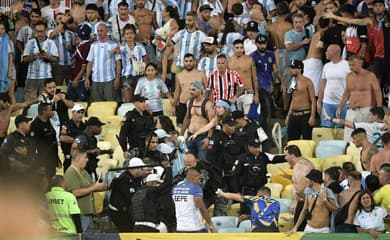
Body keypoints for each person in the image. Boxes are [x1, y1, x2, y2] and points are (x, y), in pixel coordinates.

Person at [336, 55, 382, 142]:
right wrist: (340, 107)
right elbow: (347, 93)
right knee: (348, 138)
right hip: (351, 110)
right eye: (349, 65)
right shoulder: (349, 76)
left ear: (360, 63)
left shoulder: (370, 75)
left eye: (353, 65)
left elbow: (378, 92)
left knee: (364, 137)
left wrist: (378, 109)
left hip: (365, 110)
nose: (351, 67)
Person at [234, 138, 286, 214]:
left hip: (260, 189)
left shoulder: (264, 156)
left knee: (261, 212)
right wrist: (237, 191)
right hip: (247, 190)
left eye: (258, 146)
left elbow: (276, 158)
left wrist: (288, 157)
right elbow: (236, 175)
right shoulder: (242, 158)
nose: (257, 149)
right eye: (255, 147)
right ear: (249, 147)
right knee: (246, 213)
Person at [64, 149, 105, 233]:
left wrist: (100, 187)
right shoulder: (71, 173)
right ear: (78, 158)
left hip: (88, 213)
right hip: (80, 213)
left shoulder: (84, 172)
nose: (87, 159)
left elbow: (91, 186)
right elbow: (75, 192)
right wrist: (94, 188)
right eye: (85, 157)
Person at [288, 169, 338, 235]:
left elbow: (335, 210)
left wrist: (324, 200)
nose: (306, 180)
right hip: (308, 228)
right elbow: (304, 210)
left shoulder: (327, 192)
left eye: (308, 179)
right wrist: (295, 227)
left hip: (323, 230)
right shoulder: (308, 191)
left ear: (313, 180)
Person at [162, 11, 207, 81]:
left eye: (190, 20)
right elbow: (168, 45)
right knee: (178, 88)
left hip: (194, 66)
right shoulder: (180, 33)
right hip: (180, 65)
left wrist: (200, 60)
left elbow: (206, 49)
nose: (187, 22)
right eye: (186, 20)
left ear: (195, 21)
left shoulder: (201, 35)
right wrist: (170, 35)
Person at [250, 35, 282, 132]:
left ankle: (264, 134)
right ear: (256, 44)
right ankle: (264, 135)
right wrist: (255, 92)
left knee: (266, 112)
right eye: (260, 44)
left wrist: (282, 82)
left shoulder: (270, 54)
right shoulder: (252, 56)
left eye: (263, 43)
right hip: (259, 87)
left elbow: (275, 70)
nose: (262, 46)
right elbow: (253, 75)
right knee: (265, 113)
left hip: (268, 86)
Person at [132, 160, 173, 232]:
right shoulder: (152, 191)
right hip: (150, 227)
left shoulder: (137, 192)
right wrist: (168, 168)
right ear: (154, 183)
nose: (159, 186)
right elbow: (168, 183)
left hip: (136, 226)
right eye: (158, 184)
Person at [22, 20, 59, 102]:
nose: (39, 34)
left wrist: (47, 57)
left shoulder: (51, 43)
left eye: (42, 31)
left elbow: (56, 59)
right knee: (29, 101)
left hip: (46, 77)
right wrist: (34, 56)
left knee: (45, 101)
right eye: (37, 31)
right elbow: (24, 59)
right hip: (31, 77)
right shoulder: (30, 43)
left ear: (46, 30)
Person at [109, 157, 147, 232]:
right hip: (119, 212)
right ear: (136, 169)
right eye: (141, 168)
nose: (143, 171)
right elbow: (132, 197)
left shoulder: (135, 178)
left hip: (126, 210)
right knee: (128, 231)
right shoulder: (124, 180)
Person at [85, 22, 121, 101]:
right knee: (97, 104)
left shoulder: (113, 45)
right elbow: (90, 62)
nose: (99, 33)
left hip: (109, 79)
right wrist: (87, 78)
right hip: (95, 79)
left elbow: (118, 63)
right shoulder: (93, 45)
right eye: (98, 31)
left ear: (107, 31)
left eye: (101, 31)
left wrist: (117, 78)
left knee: (111, 102)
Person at [172, 168, 215, 232]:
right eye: (199, 178)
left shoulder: (175, 189)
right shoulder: (195, 188)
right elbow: (201, 207)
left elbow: (175, 204)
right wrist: (210, 223)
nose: (199, 181)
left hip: (180, 227)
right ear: (193, 177)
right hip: (195, 227)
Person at [282, 145, 314, 231]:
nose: (285, 158)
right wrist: (288, 177)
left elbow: (303, 185)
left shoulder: (300, 165)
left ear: (292, 155)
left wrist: (295, 202)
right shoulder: (304, 163)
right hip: (306, 201)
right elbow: (301, 180)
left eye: (286, 155)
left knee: (300, 232)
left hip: (303, 202)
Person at [317, 44, 350, 128]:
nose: (326, 53)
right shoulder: (326, 66)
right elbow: (322, 84)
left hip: (343, 104)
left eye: (327, 51)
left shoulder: (347, 65)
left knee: (341, 128)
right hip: (327, 102)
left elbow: (352, 85)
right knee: (326, 128)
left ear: (334, 52)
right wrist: (319, 101)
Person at [181, 81, 215, 161]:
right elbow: (187, 118)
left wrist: (208, 138)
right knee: (187, 159)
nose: (191, 92)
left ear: (200, 90)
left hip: (202, 136)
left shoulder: (208, 104)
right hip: (191, 135)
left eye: (193, 90)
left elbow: (212, 123)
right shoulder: (189, 102)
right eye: (190, 90)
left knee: (202, 159)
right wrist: (182, 133)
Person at [173, 53, 207, 128]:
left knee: (196, 126)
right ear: (183, 62)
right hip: (183, 105)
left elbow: (207, 89)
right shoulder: (179, 75)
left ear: (194, 62)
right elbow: (177, 91)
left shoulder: (201, 74)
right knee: (180, 127)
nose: (188, 63)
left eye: (190, 61)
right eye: (186, 61)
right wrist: (174, 106)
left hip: (197, 105)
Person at [285, 59, 316, 141]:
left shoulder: (308, 82)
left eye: (293, 68)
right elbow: (293, 99)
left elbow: (313, 100)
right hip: (294, 114)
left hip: (305, 114)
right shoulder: (292, 82)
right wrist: (288, 115)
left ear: (299, 69)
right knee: (292, 140)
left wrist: (312, 116)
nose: (290, 70)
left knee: (307, 140)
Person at [30, 103, 60, 179]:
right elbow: (33, 145)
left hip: (52, 158)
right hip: (42, 160)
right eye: (50, 110)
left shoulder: (50, 122)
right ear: (44, 111)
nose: (52, 112)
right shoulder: (35, 125)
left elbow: (54, 141)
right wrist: (38, 163)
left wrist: (57, 158)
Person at [229, 39, 259, 115]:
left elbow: (254, 78)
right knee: (236, 120)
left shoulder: (249, 59)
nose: (239, 50)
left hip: (248, 93)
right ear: (233, 49)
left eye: (241, 47)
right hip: (235, 95)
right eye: (237, 48)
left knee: (248, 118)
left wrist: (256, 95)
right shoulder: (229, 61)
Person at [120, 23, 147, 102]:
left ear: (135, 34)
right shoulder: (121, 48)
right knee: (129, 101)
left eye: (131, 33)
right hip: (126, 76)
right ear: (124, 36)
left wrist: (146, 72)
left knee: (140, 100)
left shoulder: (140, 47)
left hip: (140, 75)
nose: (129, 35)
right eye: (127, 33)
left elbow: (145, 60)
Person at [48, 12, 75, 86]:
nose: (62, 20)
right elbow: (52, 36)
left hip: (69, 64)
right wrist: (63, 22)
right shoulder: (51, 31)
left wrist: (71, 48)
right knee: (58, 87)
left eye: (63, 18)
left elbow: (74, 50)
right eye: (59, 19)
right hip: (57, 65)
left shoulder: (71, 34)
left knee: (69, 87)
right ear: (55, 21)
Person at [60, 104, 87, 172]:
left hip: (81, 158)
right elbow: (62, 138)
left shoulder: (84, 127)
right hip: (69, 157)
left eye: (82, 113)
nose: (80, 115)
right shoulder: (66, 125)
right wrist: (77, 140)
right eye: (78, 112)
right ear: (73, 112)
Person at [68, 24, 91, 102]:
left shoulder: (86, 47)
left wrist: (76, 79)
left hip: (80, 79)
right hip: (73, 77)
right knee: (71, 101)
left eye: (77, 35)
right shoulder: (80, 45)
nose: (75, 36)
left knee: (83, 102)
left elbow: (85, 65)